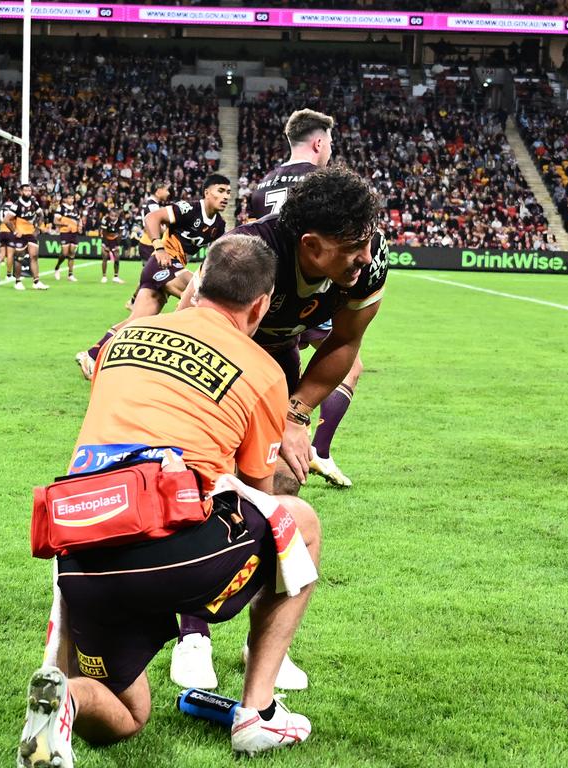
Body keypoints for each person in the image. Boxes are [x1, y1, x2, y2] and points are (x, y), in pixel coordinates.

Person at [16, 235, 320, 765]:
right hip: (172, 552)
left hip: (81, 549)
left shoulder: (123, 337)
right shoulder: (264, 370)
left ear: (198, 280)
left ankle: (65, 703)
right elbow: (258, 493)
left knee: (128, 716)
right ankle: (258, 714)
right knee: (299, 520)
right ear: (260, 304)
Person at [170, 165, 386, 691]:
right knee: (208, 488)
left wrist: (294, 414)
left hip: (279, 362)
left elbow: (342, 344)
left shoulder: (369, 262)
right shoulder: (249, 251)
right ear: (311, 247)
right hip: (214, 361)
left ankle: (259, 643)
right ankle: (193, 633)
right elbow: (192, 327)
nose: (364, 256)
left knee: (283, 489)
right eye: (352, 245)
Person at [245, 108, 358, 487]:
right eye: (331, 144)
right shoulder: (325, 182)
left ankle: (273, 446)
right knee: (349, 363)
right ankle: (318, 452)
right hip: (309, 287)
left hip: (264, 294)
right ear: (319, 142)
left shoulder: (262, 184)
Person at [75, 175, 230, 380]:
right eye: (220, 190)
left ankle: (91, 355)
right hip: (161, 263)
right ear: (207, 192)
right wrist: (158, 247)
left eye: (228, 192)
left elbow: (214, 255)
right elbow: (152, 218)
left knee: (137, 321)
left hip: (169, 269)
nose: (226, 196)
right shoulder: (189, 209)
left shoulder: (219, 225)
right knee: (201, 295)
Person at [4, 183, 49, 291]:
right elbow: (6, 220)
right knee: (19, 258)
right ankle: (18, 281)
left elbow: (41, 215)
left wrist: (37, 228)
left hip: (31, 234)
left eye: (29, 190)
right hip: (20, 235)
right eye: (26, 191)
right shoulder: (17, 204)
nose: (28, 192)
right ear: (21, 192)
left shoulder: (34, 202)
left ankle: (36, 282)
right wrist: (15, 231)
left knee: (34, 256)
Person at [52, 192, 80, 282]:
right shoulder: (61, 208)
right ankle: (57, 267)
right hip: (65, 232)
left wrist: (80, 226)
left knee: (72, 252)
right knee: (64, 253)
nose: (71, 200)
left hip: (74, 233)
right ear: (65, 199)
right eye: (69, 198)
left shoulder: (75, 209)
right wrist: (63, 223)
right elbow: (55, 221)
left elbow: (78, 220)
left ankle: (70, 274)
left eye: (72, 198)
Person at [99, 209, 124, 284]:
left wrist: (117, 245)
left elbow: (120, 234)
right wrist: (105, 245)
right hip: (106, 238)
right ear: (109, 215)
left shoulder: (120, 221)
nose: (113, 218)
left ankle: (116, 277)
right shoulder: (105, 220)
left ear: (118, 216)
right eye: (112, 216)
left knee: (117, 258)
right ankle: (104, 276)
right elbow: (104, 233)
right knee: (105, 257)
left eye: (115, 216)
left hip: (115, 239)